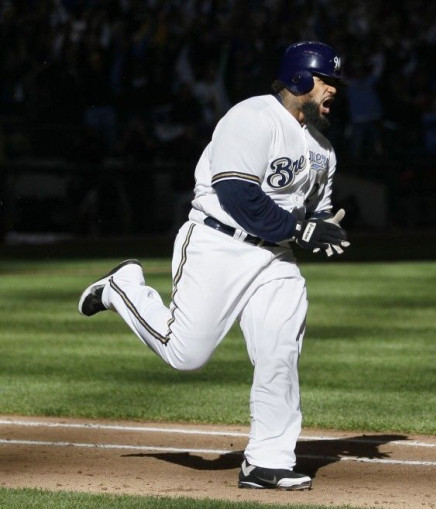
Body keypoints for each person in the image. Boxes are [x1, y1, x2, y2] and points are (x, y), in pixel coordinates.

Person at [77, 41, 350, 490]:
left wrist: (323, 228)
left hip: (275, 260)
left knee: (280, 351)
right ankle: (122, 287)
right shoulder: (253, 117)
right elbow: (238, 195)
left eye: (336, 81)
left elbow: (315, 209)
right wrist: (300, 230)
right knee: (186, 355)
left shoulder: (323, 148)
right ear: (299, 79)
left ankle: (267, 461)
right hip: (219, 243)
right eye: (327, 79)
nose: (334, 89)